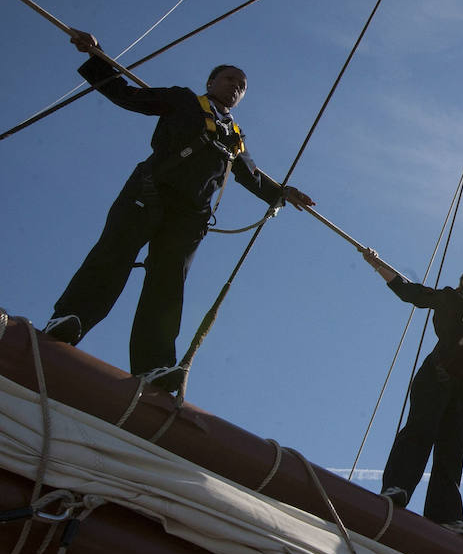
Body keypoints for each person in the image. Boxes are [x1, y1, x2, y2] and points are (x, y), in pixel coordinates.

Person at [43, 30, 314, 388]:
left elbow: (250, 176)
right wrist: (96, 57)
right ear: (211, 82)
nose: (235, 86)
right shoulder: (183, 100)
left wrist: (282, 193)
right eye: (229, 78)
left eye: (242, 85)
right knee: (115, 254)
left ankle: (153, 365)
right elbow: (128, 96)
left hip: (190, 216)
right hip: (150, 192)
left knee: (168, 285)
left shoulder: (235, 136)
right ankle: (70, 318)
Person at [364, 252, 463, 538]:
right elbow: (411, 293)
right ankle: (397, 487)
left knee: (452, 452)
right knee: (420, 431)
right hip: (436, 379)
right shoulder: (448, 299)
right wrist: (377, 265)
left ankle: (446, 515)